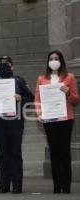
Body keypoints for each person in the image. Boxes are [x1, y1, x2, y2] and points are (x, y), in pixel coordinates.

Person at [0, 56, 34, 194]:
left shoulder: (19, 80)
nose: (4, 66)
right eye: (1, 64)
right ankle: (4, 184)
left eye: (7, 63)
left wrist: (21, 98)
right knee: (3, 154)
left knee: (15, 153)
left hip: (15, 121)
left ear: (12, 66)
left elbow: (31, 98)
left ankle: (17, 185)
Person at [35, 50, 79, 193]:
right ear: (48, 62)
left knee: (64, 151)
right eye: (51, 59)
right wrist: (39, 114)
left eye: (56, 58)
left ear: (61, 61)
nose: (54, 61)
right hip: (49, 119)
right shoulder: (41, 78)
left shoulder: (70, 77)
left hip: (66, 119)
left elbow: (75, 100)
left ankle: (66, 185)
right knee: (54, 152)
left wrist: (67, 93)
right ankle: (56, 185)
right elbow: (37, 99)